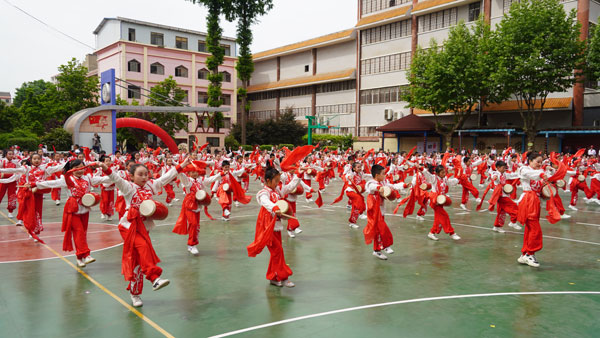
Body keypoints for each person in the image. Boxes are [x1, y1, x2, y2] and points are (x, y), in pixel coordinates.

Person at [99, 157, 191, 307]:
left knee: (137, 262)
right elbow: (115, 178)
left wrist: (182, 165)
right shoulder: (128, 187)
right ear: (132, 176)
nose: (143, 177)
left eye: (146, 174)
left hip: (144, 227)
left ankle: (135, 293)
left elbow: (166, 177)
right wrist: (105, 168)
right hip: (129, 226)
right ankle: (154, 278)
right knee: (144, 248)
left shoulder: (150, 185)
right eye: (140, 174)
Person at [30, 159, 111, 267]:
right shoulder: (67, 179)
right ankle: (86, 255)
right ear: (71, 169)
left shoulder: (88, 178)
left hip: (85, 209)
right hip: (72, 210)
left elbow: (102, 179)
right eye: (76, 168)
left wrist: (116, 176)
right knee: (79, 232)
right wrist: (34, 184)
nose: (79, 170)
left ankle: (79, 257)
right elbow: (51, 183)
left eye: (81, 167)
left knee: (83, 233)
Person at [247, 162, 300, 287]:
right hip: (267, 227)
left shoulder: (277, 191)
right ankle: (284, 277)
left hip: (276, 227)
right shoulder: (263, 192)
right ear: (268, 180)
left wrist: (298, 175)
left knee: (276, 253)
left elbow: (289, 187)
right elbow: (265, 202)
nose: (278, 183)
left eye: (278, 180)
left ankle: (273, 277)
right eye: (276, 181)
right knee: (278, 251)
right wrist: (274, 207)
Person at [363, 164, 408, 260]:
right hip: (373, 210)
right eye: (383, 173)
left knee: (378, 230)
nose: (385, 175)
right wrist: (379, 188)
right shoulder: (371, 183)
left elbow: (393, 186)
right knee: (382, 228)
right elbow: (372, 187)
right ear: (376, 175)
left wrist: (404, 185)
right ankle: (386, 245)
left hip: (380, 209)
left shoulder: (384, 182)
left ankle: (377, 251)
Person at [516, 152, 547, 268]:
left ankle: (524, 254)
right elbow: (533, 174)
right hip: (528, 201)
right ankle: (530, 253)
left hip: (535, 202)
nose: (540, 164)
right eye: (537, 162)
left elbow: (540, 186)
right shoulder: (524, 169)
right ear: (530, 161)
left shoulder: (538, 173)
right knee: (535, 230)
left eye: (541, 162)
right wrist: (544, 172)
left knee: (530, 229)